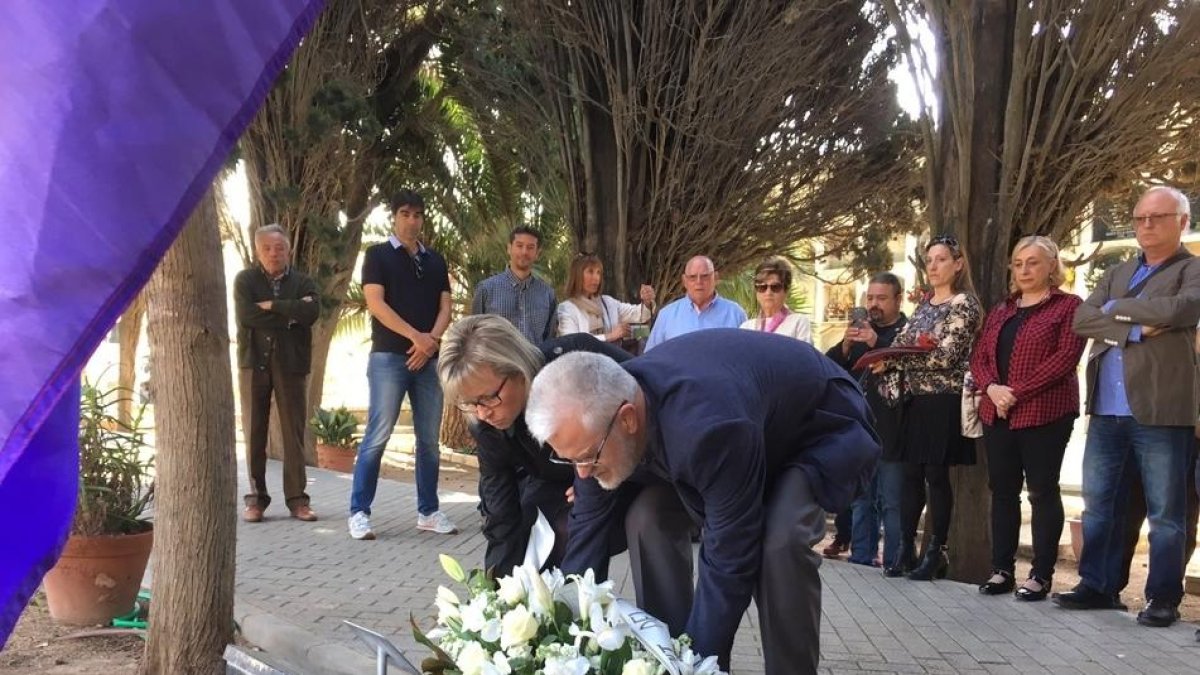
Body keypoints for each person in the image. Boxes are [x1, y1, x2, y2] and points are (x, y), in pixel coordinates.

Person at [525, 330, 880, 674]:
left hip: (815, 430)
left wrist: (702, 662)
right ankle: (665, 655)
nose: (582, 474)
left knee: (780, 539)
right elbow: (587, 531)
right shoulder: (597, 423)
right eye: (570, 460)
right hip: (745, 435)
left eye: (588, 457)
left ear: (628, 419)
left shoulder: (708, 429)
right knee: (647, 518)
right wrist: (565, 641)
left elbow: (730, 557)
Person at [436, 314, 696, 627]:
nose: (482, 412)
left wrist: (601, 473)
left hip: (640, 473)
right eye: (470, 403)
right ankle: (552, 635)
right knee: (532, 522)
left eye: (490, 397)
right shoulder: (486, 423)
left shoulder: (578, 361)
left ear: (518, 369)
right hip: (568, 484)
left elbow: (649, 421)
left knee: (648, 519)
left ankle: (672, 641)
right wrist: (494, 604)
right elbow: (500, 513)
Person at [1060, 186, 1200, 628]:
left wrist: (1116, 312)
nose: (1146, 225)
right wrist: (1136, 327)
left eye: (1157, 217)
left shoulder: (1192, 270)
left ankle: (1162, 598)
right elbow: (1083, 319)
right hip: (1106, 409)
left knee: (1166, 513)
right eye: (1140, 218)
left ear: (1182, 222)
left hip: (1161, 410)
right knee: (1100, 506)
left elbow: (1184, 309)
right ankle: (1098, 586)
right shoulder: (1117, 272)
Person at [969, 236, 1086, 601]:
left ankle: (1040, 574)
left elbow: (1065, 358)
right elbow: (980, 356)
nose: (1024, 270)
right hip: (997, 412)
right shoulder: (1002, 309)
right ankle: (1002, 569)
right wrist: (991, 389)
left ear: (1052, 266)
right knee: (1002, 491)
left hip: (1044, 412)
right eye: (1018, 263)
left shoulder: (1069, 307)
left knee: (1042, 491)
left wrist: (1014, 392)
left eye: (1033, 262)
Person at [871, 235, 983, 581]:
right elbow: (903, 344)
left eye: (941, 259)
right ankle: (905, 546)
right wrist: (889, 359)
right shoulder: (924, 304)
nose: (933, 267)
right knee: (909, 475)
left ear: (958, 263)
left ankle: (936, 550)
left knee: (936, 475)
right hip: (913, 400)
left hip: (943, 400)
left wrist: (900, 360)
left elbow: (946, 357)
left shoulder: (964, 304)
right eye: (929, 260)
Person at [348, 190, 454, 541]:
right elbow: (376, 304)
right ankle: (359, 512)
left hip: (429, 361)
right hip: (389, 358)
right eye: (405, 213)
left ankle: (428, 511)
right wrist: (416, 338)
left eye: (418, 214)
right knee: (377, 436)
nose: (412, 220)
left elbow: (445, 308)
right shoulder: (377, 255)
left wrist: (431, 342)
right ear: (394, 216)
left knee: (429, 442)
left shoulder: (436, 261)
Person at [233, 224, 320, 523]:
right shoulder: (245, 280)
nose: (274, 253)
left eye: (279, 248)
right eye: (268, 248)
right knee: (254, 432)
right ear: (258, 251)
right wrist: (291, 314)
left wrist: (273, 306)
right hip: (253, 362)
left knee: (293, 432)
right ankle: (256, 499)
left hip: (291, 364)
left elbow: (311, 313)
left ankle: (298, 500)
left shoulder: (303, 281)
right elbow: (247, 315)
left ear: (288, 250)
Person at [825, 272, 908, 572]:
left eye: (881, 298)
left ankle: (895, 561)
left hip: (895, 429)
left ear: (898, 299)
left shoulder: (905, 330)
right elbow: (830, 367)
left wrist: (878, 341)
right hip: (860, 429)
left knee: (892, 501)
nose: (873, 305)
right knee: (861, 500)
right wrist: (846, 346)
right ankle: (861, 559)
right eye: (870, 298)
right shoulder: (861, 332)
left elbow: (904, 362)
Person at [472, 226, 557, 344]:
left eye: (530, 247)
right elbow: (474, 334)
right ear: (509, 248)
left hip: (535, 361)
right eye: (519, 245)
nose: (524, 252)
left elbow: (550, 338)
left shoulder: (547, 294)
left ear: (537, 253)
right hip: (497, 360)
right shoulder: (486, 289)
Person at [643, 255, 746, 351]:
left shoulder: (736, 314)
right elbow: (650, 357)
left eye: (705, 276)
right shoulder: (666, 315)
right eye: (692, 277)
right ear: (684, 281)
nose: (699, 282)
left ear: (715, 278)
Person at [555, 253, 656, 346]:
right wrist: (610, 336)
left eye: (598, 272)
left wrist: (647, 301)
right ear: (577, 275)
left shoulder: (607, 302)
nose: (596, 278)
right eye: (590, 272)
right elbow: (570, 343)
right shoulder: (567, 308)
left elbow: (638, 314)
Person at [739, 256, 812, 342]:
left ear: (786, 290)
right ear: (756, 291)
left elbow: (803, 354)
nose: (768, 292)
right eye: (762, 287)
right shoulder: (746, 327)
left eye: (775, 287)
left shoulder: (798, 322)